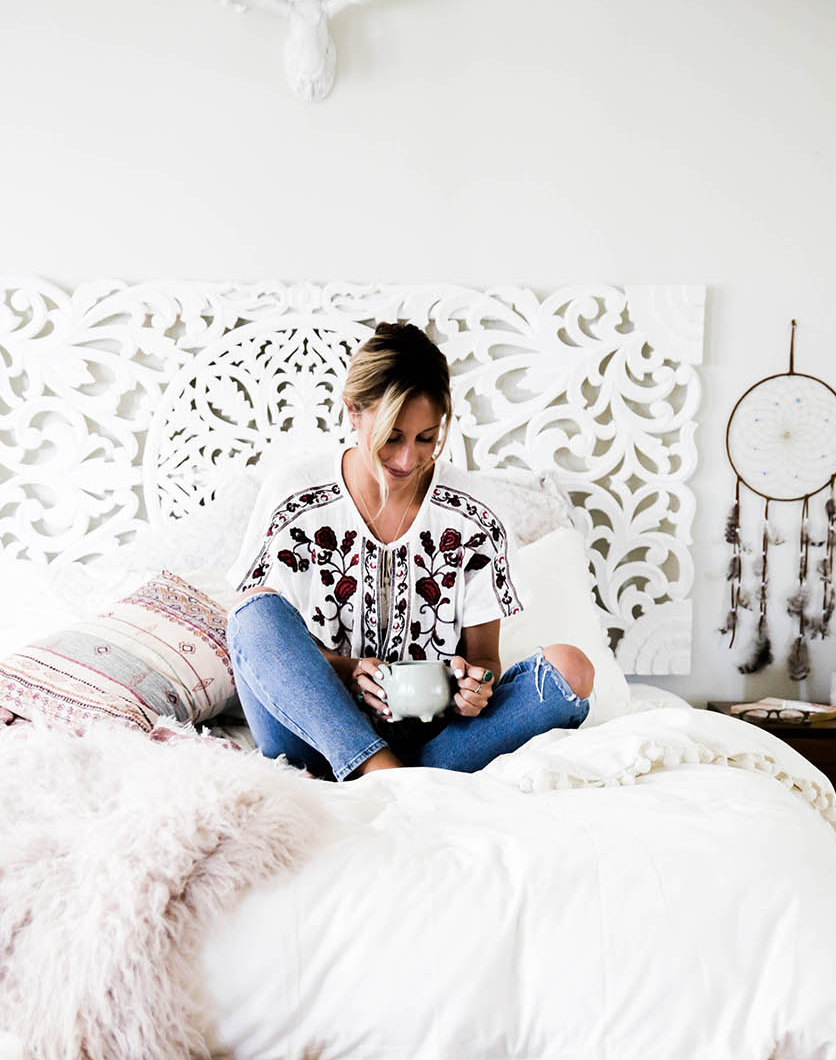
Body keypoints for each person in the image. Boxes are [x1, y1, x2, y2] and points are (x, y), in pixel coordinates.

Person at [226, 321, 595, 781]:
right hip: (311, 737)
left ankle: (392, 774)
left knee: (570, 669)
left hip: (432, 736)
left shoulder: (473, 513)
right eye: (392, 436)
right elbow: (265, 648)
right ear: (352, 413)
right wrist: (350, 670)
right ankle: (383, 773)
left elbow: (486, 661)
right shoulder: (294, 495)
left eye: (426, 439)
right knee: (252, 612)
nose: (406, 460)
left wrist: (473, 687)